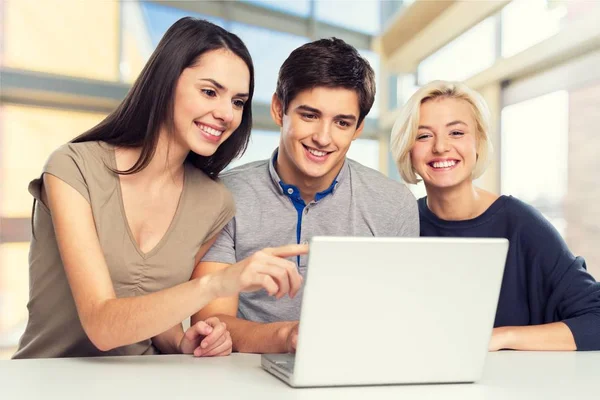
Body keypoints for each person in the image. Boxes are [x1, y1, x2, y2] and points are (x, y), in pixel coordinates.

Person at [13, 17, 306, 359]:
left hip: (147, 380)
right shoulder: (72, 168)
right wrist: (221, 282)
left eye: (238, 102)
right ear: (166, 82)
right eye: (209, 92)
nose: (226, 113)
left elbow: (152, 309)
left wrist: (182, 341)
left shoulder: (213, 202)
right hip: (45, 379)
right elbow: (103, 325)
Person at [194, 38, 419, 354]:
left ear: (357, 129)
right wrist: (290, 337)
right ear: (278, 109)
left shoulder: (394, 204)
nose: (323, 138)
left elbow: (402, 314)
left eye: (342, 122)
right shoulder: (223, 196)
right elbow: (211, 322)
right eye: (310, 115)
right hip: (245, 374)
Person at [390, 80, 600, 351]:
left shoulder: (521, 224)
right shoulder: (400, 225)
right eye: (423, 135)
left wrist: (501, 337)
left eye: (456, 132)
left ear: (477, 143)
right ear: (408, 148)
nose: (441, 147)